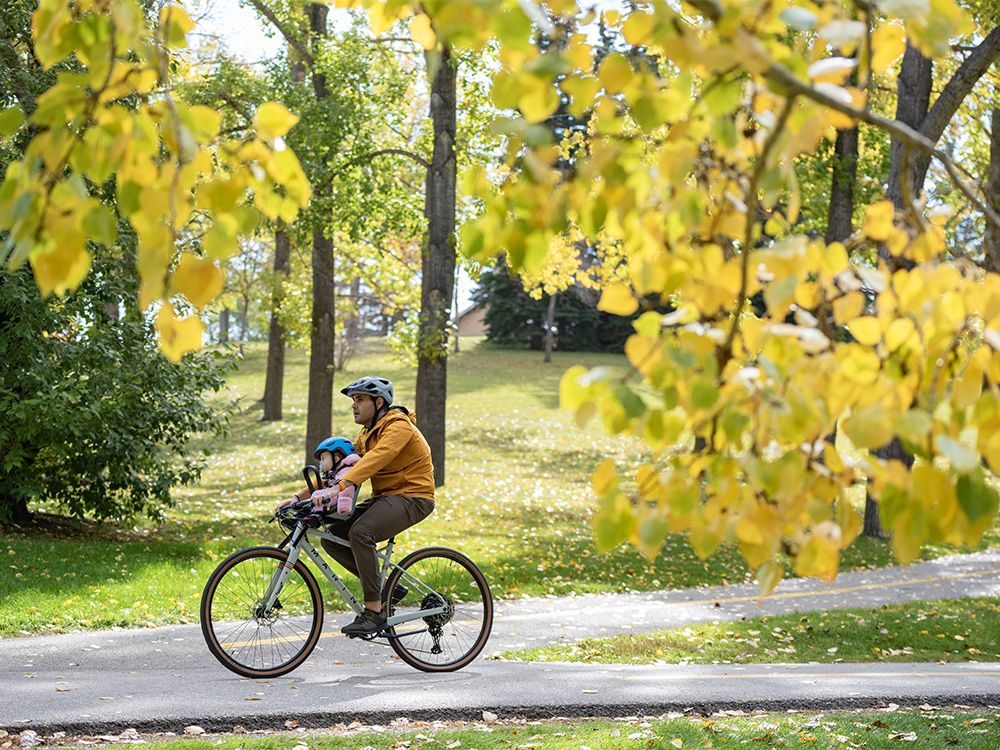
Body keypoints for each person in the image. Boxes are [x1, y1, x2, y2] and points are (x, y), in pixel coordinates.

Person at [324, 376, 435, 637]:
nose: (354, 405)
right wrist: (301, 496)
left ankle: (374, 612)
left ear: (378, 402)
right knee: (332, 537)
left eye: (360, 399)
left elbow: (378, 457)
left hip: (414, 496)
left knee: (361, 533)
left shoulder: (398, 426)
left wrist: (340, 488)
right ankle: (388, 590)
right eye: (353, 400)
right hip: (386, 497)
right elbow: (344, 467)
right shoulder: (366, 434)